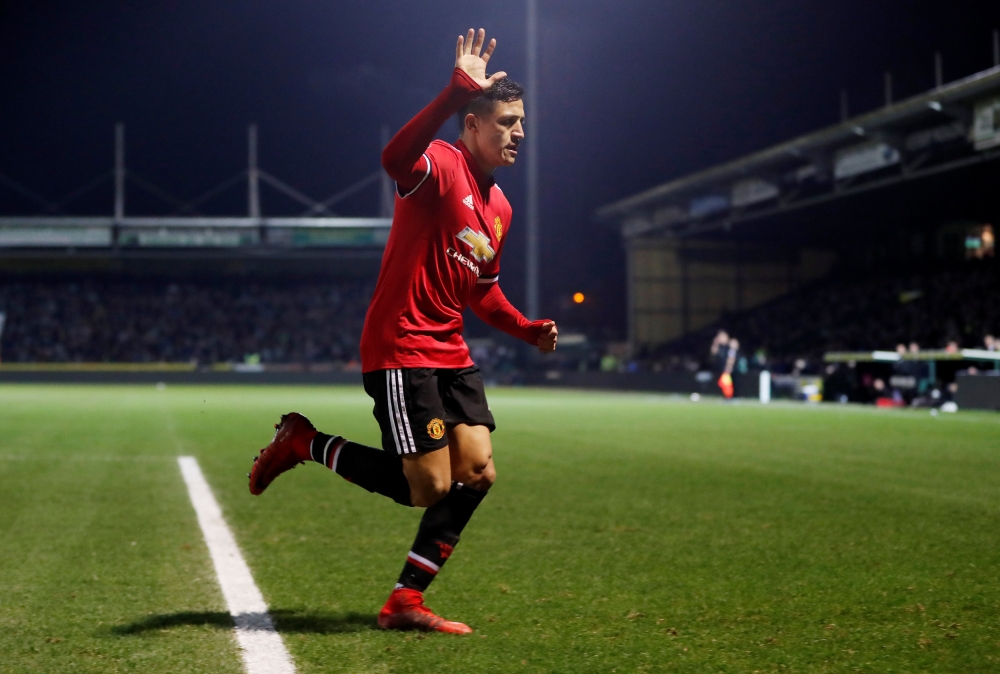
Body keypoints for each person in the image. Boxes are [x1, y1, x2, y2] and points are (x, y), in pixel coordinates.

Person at [247, 29, 558, 635]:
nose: (519, 132)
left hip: (450, 351)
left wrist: (527, 328)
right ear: (473, 125)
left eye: (522, 122)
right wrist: (451, 94)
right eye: (507, 122)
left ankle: (404, 602)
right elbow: (394, 159)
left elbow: (482, 291)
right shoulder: (441, 163)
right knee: (428, 486)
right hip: (402, 347)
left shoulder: (500, 208)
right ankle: (303, 442)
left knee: (477, 472)